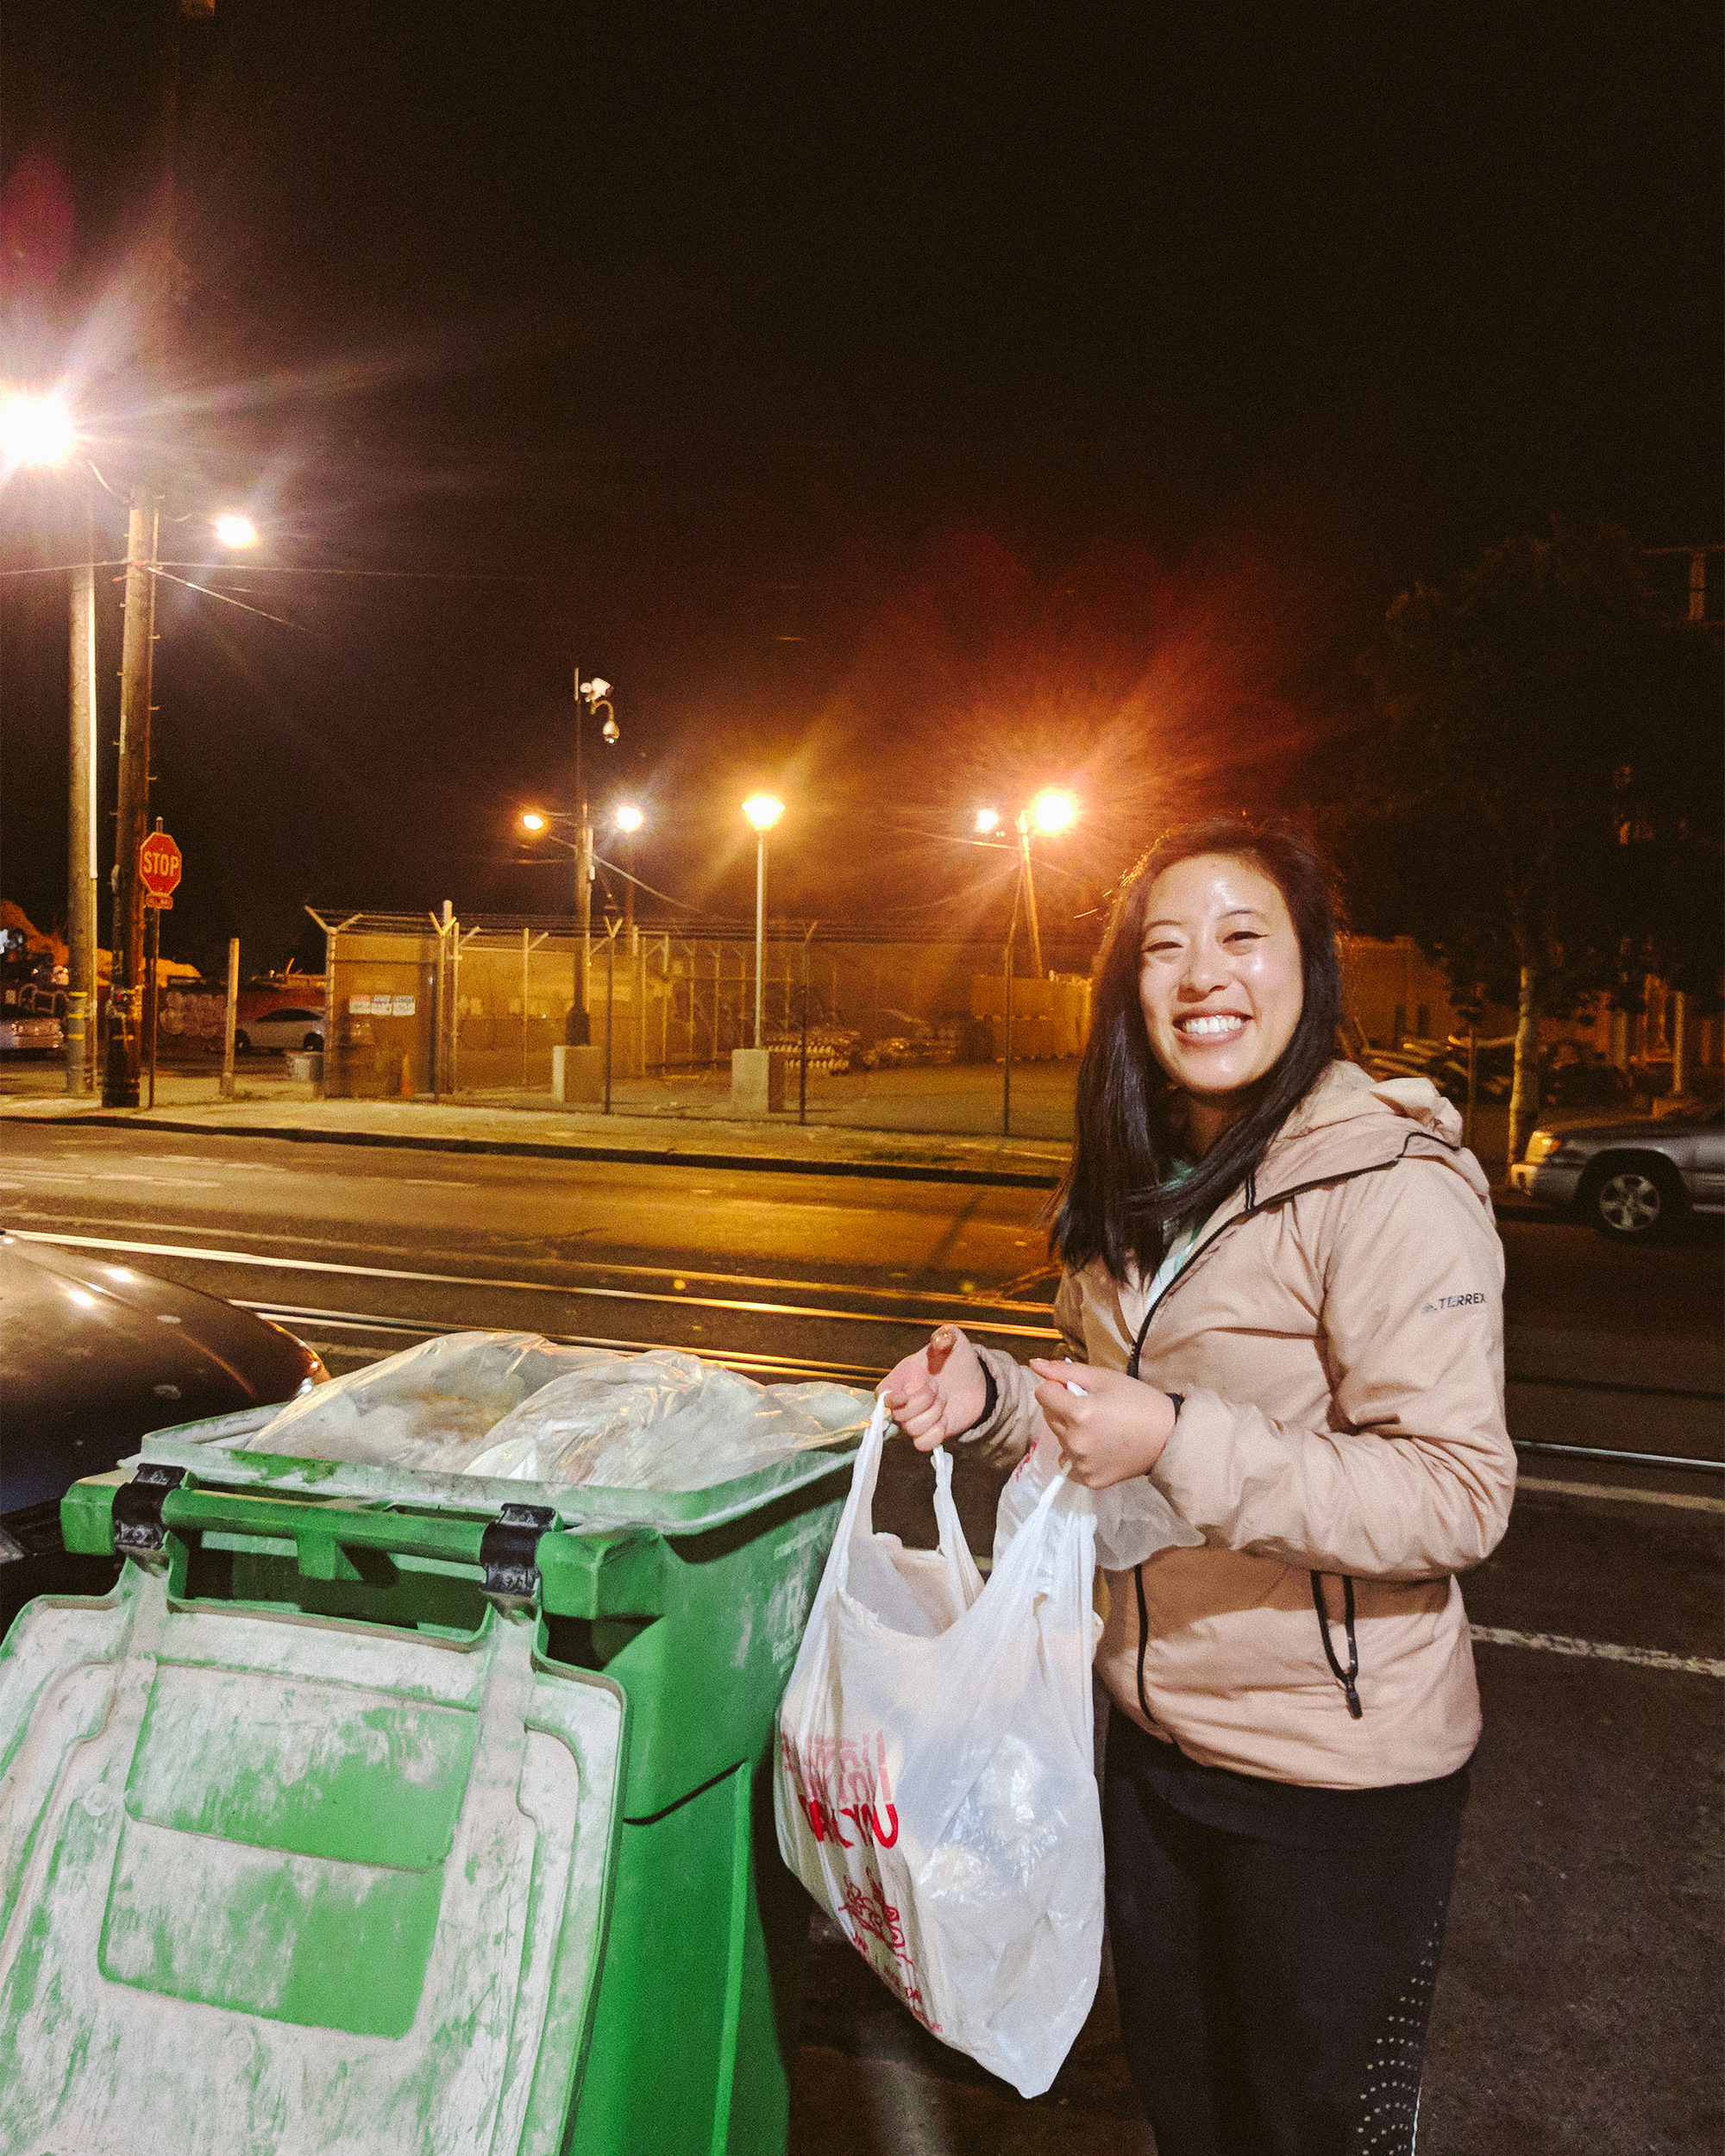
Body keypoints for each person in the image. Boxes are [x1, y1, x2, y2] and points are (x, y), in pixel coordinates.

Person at [880, 818, 1513, 2156]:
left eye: (1242, 937)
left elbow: (1457, 1492)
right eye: (1163, 948)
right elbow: (1106, 1434)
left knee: (1311, 2132)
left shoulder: (1391, 1185)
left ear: (1311, 967)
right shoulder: (1146, 1174)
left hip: (1336, 1781)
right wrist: (991, 1398)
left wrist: (1175, 1435)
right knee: (1192, 2117)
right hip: (1154, 1748)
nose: (1202, 976)